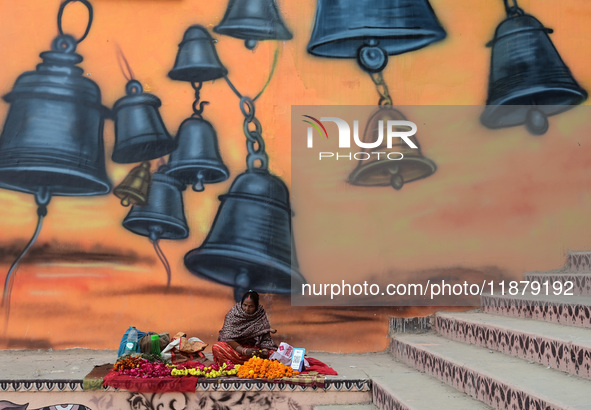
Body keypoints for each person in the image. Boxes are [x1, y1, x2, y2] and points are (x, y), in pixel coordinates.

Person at [212, 290, 277, 366]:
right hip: (236, 349)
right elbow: (227, 337)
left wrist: (264, 352)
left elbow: (265, 339)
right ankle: (245, 364)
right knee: (217, 347)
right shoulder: (233, 314)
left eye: (251, 306)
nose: (246, 309)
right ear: (241, 304)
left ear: (256, 306)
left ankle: (255, 363)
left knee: (274, 354)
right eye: (244, 305)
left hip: (254, 351)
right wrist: (244, 351)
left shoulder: (260, 314)